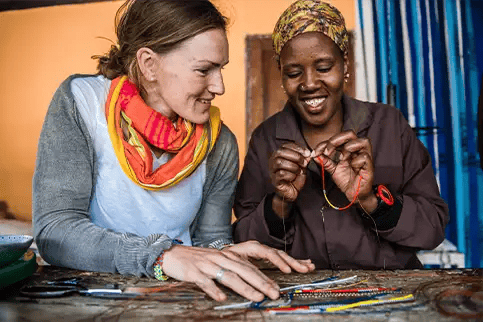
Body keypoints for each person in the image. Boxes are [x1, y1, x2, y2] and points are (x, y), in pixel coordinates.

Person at [33, 0, 314, 302]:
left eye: (221, 69)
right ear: (149, 64)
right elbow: (56, 232)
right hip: (84, 304)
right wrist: (161, 256)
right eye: (204, 69)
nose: (219, 87)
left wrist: (223, 251)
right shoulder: (82, 103)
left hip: (175, 303)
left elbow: (208, 239)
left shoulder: (219, 143)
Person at [233, 0, 449, 269]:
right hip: (301, 296)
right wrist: (280, 203)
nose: (310, 83)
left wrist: (370, 200)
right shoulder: (265, 139)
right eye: (294, 73)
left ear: (345, 65)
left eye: (324, 68)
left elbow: (433, 228)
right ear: (281, 75)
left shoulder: (389, 125)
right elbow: (244, 240)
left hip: (389, 296)